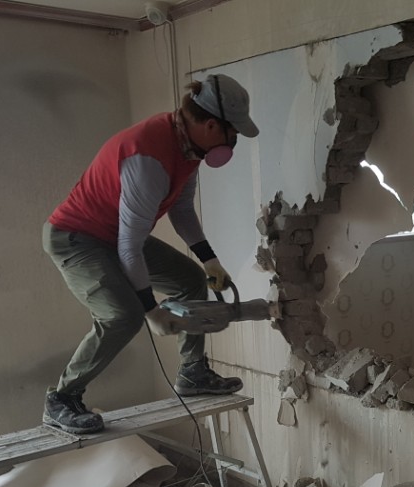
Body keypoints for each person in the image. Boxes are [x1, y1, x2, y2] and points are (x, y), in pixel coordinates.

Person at [41, 74, 259, 434]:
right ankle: (62, 398)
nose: (232, 142)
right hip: (76, 238)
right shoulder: (149, 159)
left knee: (190, 280)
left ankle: (192, 372)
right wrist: (152, 311)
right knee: (123, 315)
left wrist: (209, 260)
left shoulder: (189, 149)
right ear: (210, 125)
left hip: (115, 234)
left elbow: (182, 210)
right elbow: (129, 248)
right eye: (232, 133)